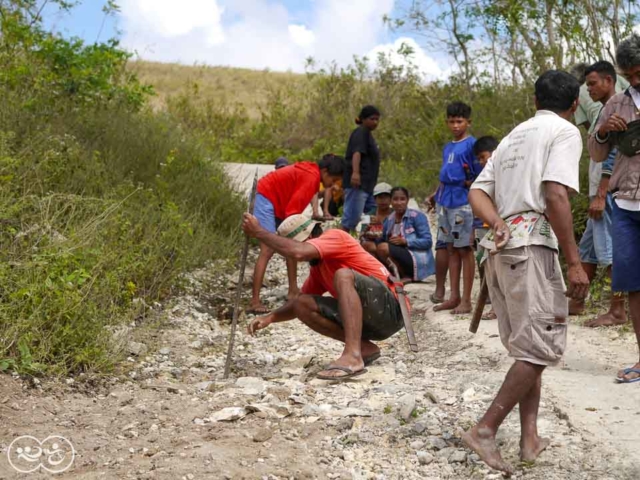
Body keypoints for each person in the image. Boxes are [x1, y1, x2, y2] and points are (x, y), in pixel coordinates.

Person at [465, 70, 589, 474]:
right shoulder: (566, 132)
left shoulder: (514, 135)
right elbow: (555, 194)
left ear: (534, 101)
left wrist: (497, 223)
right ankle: (485, 428)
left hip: (502, 249)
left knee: (527, 346)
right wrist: (574, 262)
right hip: (532, 245)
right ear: (574, 104)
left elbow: (477, 192)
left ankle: (529, 438)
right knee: (540, 347)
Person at [241, 213, 406, 380]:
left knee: (343, 275)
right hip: (371, 320)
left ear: (312, 236)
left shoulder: (335, 236)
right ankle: (363, 348)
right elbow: (299, 302)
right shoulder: (318, 270)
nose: (293, 257)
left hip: (392, 310)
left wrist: (259, 232)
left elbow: (298, 252)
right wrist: (271, 317)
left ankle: (353, 355)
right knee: (301, 304)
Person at [589, 34, 640, 383]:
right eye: (630, 74)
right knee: (634, 284)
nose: (635, 81)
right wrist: (605, 132)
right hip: (624, 205)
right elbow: (595, 152)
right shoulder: (615, 104)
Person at [249, 155, 344, 314]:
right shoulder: (311, 177)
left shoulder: (312, 173)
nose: (333, 185)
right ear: (325, 171)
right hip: (265, 197)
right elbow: (292, 214)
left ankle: (293, 290)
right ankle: (254, 301)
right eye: (333, 180)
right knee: (267, 250)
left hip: (276, 201)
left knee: (291, 245)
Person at [571, 61, 627, 327]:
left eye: (592, 83)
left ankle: (617, 309)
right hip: (598, 189)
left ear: (608, 80)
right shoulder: (603, 110)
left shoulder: (617, 106)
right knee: (589, 250)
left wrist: (601, 194)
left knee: (611, 252)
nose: (589, 89)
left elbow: (614, 152)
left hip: (608, 192)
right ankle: (576, 301)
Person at [429, 101, 477, 314]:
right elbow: (444, 173)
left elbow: (479, 173)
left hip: (463, 201)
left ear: (468, 122)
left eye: (459, 121)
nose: (455, 126)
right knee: (449, 248)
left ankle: (466, 299)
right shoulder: (448, 146)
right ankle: (453, 296)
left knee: (464, 248)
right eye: (452, 121)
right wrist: (435, 193)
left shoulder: (471, 145)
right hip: (445, 200)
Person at [376, 187, 435, 282]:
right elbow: (382, 239)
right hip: (399, 254)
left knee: (383, 248)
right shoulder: (389, 219)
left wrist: (405, 241)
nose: (399, 203)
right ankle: (386, 274)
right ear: (391, 201)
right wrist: (368, 235)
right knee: (370, 247)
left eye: (402, 199)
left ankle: (405, 275)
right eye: (395, 199)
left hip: (416, 257)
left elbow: (428, 242)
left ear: (407, 200)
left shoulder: (417, 216)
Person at [341, 105, 382, 232]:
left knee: (374, 213)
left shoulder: (368, 134)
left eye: (377, 119)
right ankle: (338, 244)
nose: (375, 122)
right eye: (372, 119)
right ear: (363, 119)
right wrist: (355, 173)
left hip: (368, 186)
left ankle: (368, 240)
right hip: (359, 184)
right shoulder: (361, 132)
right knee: (351, 219)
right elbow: (357, 152)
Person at [472, 136, 499, 320]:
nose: (482, 162)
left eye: (484, 157)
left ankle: (498, 306)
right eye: (479, 159)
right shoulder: (484, 177)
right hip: (483, 228)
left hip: (496, 228)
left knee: (497, 268)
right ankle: (490, 301)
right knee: (484, 265)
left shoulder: (502, 174)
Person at [360, 182, 393, 255]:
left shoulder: (395, 214)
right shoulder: (368, 215)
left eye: (386, 197)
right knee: (367, 245)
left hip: (390, 244)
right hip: (373, 244)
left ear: (391, 199)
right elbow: (362, 236)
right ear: (375, 199)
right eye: (380, 197)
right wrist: (368, 229)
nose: (383, 200)